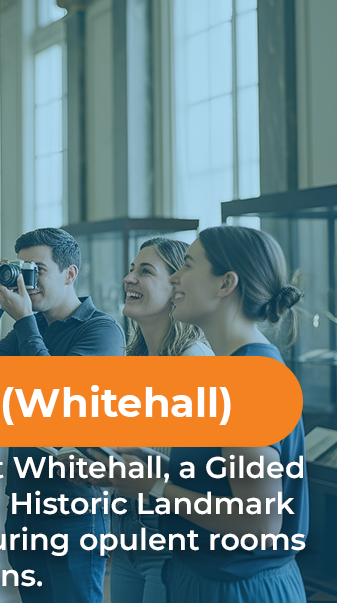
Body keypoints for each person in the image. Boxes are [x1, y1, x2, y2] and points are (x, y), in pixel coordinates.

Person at [105, 226, 308, 603]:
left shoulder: (246, 378)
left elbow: (259, 524)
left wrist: (152, 487)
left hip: (235, 585)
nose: (177, 278)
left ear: (225, 284)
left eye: (188, 266)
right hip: (204, 575)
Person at [0, 227, 125, 603]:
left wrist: (23, 321)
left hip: (75, 510)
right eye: (21, 269)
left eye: (38, 269)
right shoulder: (30, 330)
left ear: (70, 274)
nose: (27, 281)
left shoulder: (101, 331)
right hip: (23, 505)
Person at [111, 238, 212, 603]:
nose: (128, 279)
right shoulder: (135, 360)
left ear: (176, 288)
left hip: (169, 534)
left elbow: (199, 472)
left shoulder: (193, 363)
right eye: (131, 269)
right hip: (126, 530)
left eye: (145, 271)